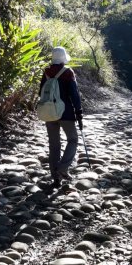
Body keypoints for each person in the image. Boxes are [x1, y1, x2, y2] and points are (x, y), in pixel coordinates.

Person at [40, 46, 83, 190]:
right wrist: (79, 112)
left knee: (54, 145)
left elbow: (41, 92)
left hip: (49, 113)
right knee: (73, 140)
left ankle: (56, 178)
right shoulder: (67, 72)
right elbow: (74, 94)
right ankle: (63, 168)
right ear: (64, 57)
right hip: (66, 113)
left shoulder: (46, 72)